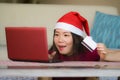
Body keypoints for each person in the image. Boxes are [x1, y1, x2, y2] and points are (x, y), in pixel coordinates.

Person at [48, 11, 120, 80]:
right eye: (56, 34)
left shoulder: (88, 50)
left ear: (76, 38)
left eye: (66, 35)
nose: (60, 40)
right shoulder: (53, 52)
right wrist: (46, 62)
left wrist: (107, 54)